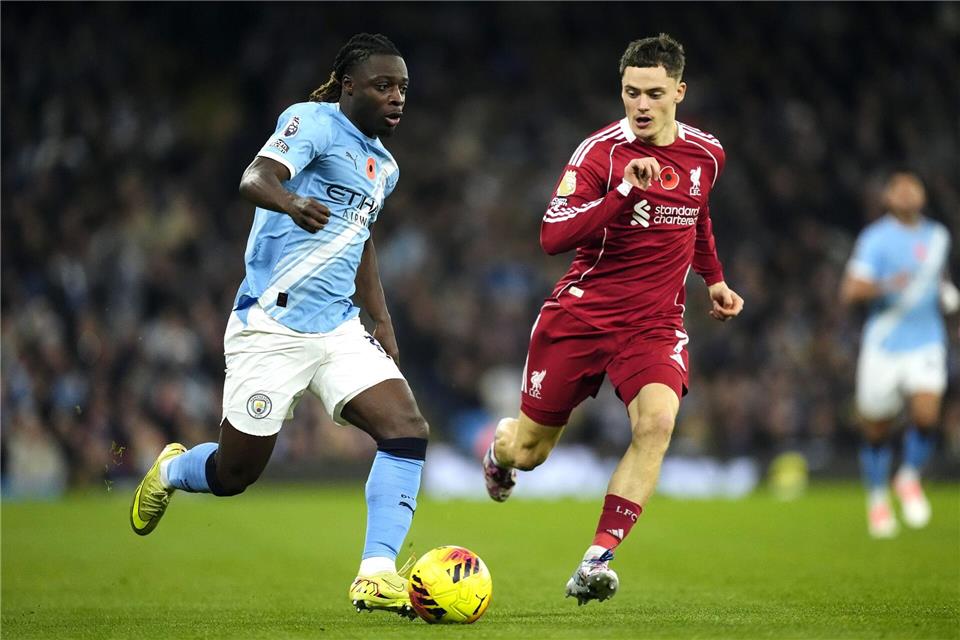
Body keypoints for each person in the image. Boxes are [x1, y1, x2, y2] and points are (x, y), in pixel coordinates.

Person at [129, 33, 428, 618]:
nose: (397, 98)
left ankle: (375, 573)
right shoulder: (311, 122)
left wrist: (382, 320)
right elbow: (253, 178)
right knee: (236, 472)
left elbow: (360, 240)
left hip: (339, 328)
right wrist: (292, 203)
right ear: (349, 87)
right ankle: (172, 469)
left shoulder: (385, 167)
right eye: (384, 86)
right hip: (271, 324)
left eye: (403, 89)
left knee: (407, 429)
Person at [481, 33, 743, 604]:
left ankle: (595, 561)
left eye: (653, 93)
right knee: (530, 451)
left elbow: (696, 216)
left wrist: (714, 276)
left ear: (679, 90)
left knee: (657, 425)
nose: (641, 106)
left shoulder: (707, 154)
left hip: (654, 326)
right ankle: (498, 452)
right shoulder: (600, 154)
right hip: (582, 317)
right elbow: (552, 236)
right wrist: (624, 191)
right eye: (630, 93)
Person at [840, 171, 955, 539]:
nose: (907, 194)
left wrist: (947, 292)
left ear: (922, 195)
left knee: (926, 413)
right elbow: (850, 291)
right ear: (888, 197)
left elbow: (937, 277)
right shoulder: (875, 238)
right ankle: (877, 500)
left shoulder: (938, 236)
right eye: (899, 188)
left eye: (913, 187)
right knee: (876, 429)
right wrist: (888, 285)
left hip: (926, 340)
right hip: (884, 343)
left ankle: (906, 478)